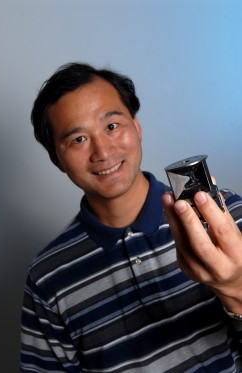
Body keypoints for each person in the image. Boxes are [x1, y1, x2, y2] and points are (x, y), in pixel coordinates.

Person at [21, 62, 242, 372]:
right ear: (57, 159)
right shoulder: (46, 277)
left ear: (137, 128)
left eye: (111, 126)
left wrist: (236, 289)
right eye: (78, 139)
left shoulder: (226, 215)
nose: (103, 152)